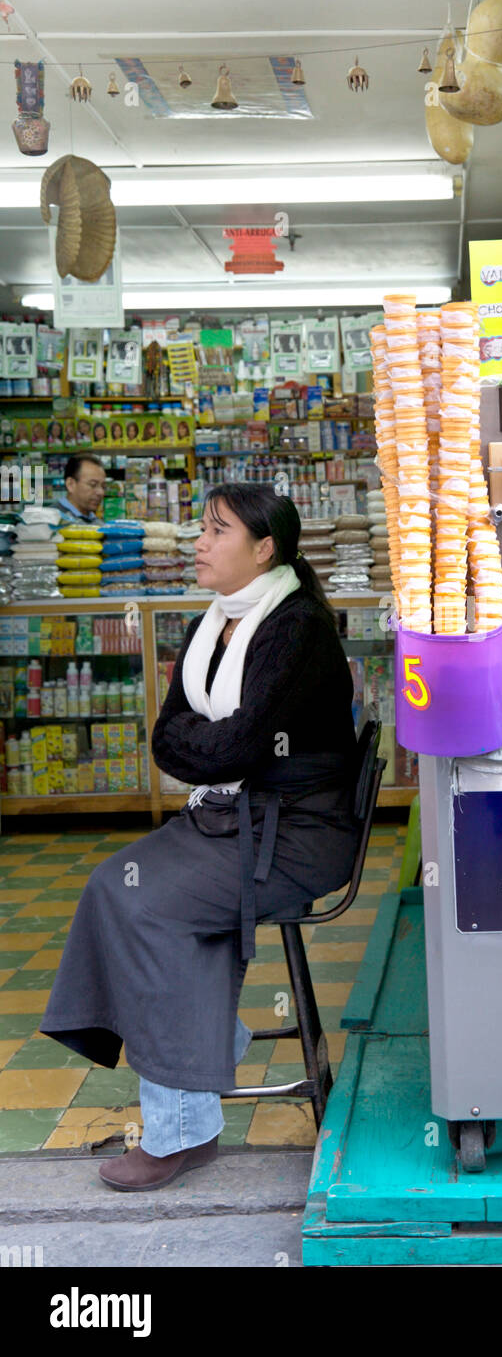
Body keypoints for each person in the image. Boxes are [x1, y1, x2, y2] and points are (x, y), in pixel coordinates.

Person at [40, 483, 362, 1191]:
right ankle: (205, 1049)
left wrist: (210, 744)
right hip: (227, 818)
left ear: (264, 547)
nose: (199, 543)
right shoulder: (212, 623)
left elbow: (237, 748)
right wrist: (210, 745)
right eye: (201, 530)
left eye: (217, 532)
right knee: (109, 886)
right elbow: (170, 738)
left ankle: (180, 1129)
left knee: (153, 908)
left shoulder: (296, 627)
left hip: (296, 834)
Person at [55, 454, 106, 523]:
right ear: (70, 484)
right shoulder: (50, 521)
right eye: (93, 485)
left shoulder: (98, 523)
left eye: (103, 486)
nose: (101, 492)